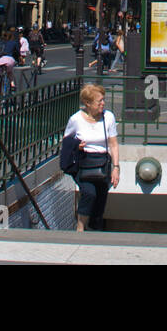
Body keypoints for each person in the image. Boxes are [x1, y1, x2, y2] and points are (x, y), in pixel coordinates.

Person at [64, 83, 119, 231]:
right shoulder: (76, 119)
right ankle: (80, 227)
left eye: (103, 100)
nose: (103, 103)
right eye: (99, 101)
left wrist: (116, 167)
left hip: (102, 163)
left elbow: (113, 144)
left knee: (100, 199)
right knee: (89, 192)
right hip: (84, 162)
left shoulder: (108, 117)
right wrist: (77, 145)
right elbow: (67, 142)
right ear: (87, 103)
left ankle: (95, 228)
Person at [0, 30, 19, 96]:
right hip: (9, 60)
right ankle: (12, 85)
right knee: (10, 73)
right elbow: (18, 52)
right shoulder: (13, 43)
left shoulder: (1, 43)